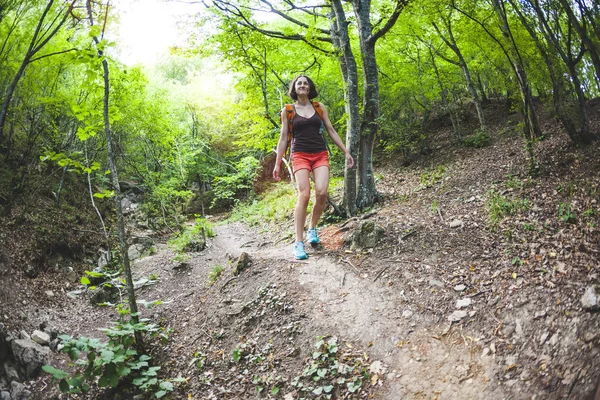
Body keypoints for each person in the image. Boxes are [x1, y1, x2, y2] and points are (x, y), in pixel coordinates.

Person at [273, 75, 354, 260]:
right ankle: (299, 243)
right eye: (299, 83)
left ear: (309, 88)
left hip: (320, 154)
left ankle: (312, 228)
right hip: (299, 154)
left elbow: (331, 130)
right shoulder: (288, 110)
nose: (302, 85)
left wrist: (346, 152)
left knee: (322, 193)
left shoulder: (319, 107)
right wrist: (278, 163)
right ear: (294, 88)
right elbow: (283, 137)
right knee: (304, 195)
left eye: (305, 83)